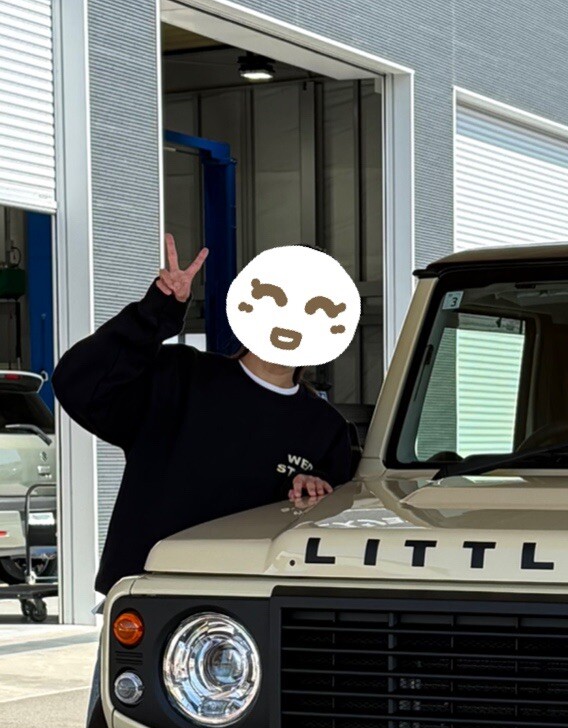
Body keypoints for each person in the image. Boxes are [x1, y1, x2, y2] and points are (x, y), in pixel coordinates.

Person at [53, 237, 353, 599]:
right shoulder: (181, 376)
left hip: (255, 604)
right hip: (151, 593)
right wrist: (157, 310)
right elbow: (80, 383)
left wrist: (318, 487)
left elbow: (339, 522)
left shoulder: (327, 430)